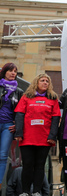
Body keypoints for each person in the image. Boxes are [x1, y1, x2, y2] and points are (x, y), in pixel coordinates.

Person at [14, 73, 60, 196]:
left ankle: (36, 192)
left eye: (47, 81)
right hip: (27, 138)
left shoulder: (52, 98)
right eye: (42, 80)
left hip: (44, 139)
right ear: (36, 83)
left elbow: (56, 118)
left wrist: (52, 136)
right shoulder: (26, 97)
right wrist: (18, 133)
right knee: (27, 165)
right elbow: (19, 114)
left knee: (40, 166)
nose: (45, 82)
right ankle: (25, 191)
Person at [0, 63, 23, 191]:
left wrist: (17, 125)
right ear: (4, 72)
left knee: (3, 156)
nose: (13, 73)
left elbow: (22, 111)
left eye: (15, 71)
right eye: (10, 71)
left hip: (8, 126)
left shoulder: (19, 91)